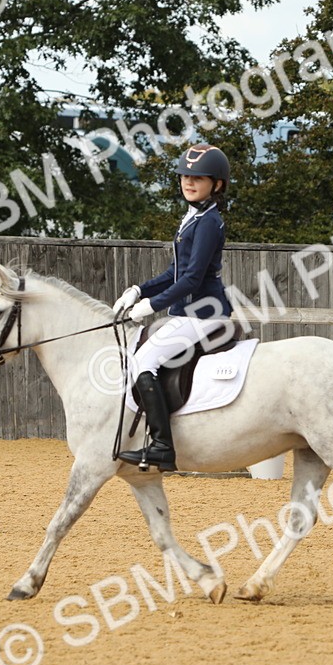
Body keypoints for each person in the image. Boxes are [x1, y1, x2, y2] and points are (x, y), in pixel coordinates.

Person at [112, 143, 234, 471]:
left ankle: (163, 446)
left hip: (203, 312)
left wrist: (151, 305)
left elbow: (192, 279)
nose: (189, 182)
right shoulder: (195, 216)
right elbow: (174, 273)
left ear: (217, 184)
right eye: (185, 176)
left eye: (198, 177)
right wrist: (138, 290)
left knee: (143, 362)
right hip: (187, 310)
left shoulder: (209, 223)